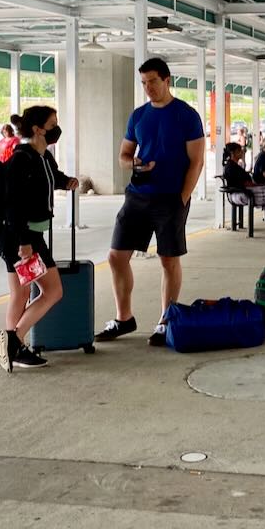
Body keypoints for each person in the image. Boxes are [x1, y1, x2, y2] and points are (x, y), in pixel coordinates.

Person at [95, 57, 204, 347]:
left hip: (171, 198)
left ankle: (165, 320)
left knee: (168, 259)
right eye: (143, 83)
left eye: (153, 81)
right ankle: (124, 318)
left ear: (167, 80)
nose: (148, 88)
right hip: (138, 195)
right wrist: (134, 163)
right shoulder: (139, 116)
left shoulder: (187, 116)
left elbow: (196, 162)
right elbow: (123, 156)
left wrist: (182, 198)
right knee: (116, 257)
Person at [0, 106, 78, 372]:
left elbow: (52, 177)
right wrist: (24, 242)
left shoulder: (43, 157)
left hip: (26, 235)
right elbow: (12, 204)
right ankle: (15, 341)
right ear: (37, 129)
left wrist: (67, 182)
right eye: (53, 123)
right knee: (53, 291)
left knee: (19, 294)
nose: (57, 127)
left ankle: (13, 350)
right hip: (22, 237)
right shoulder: (21, 158)